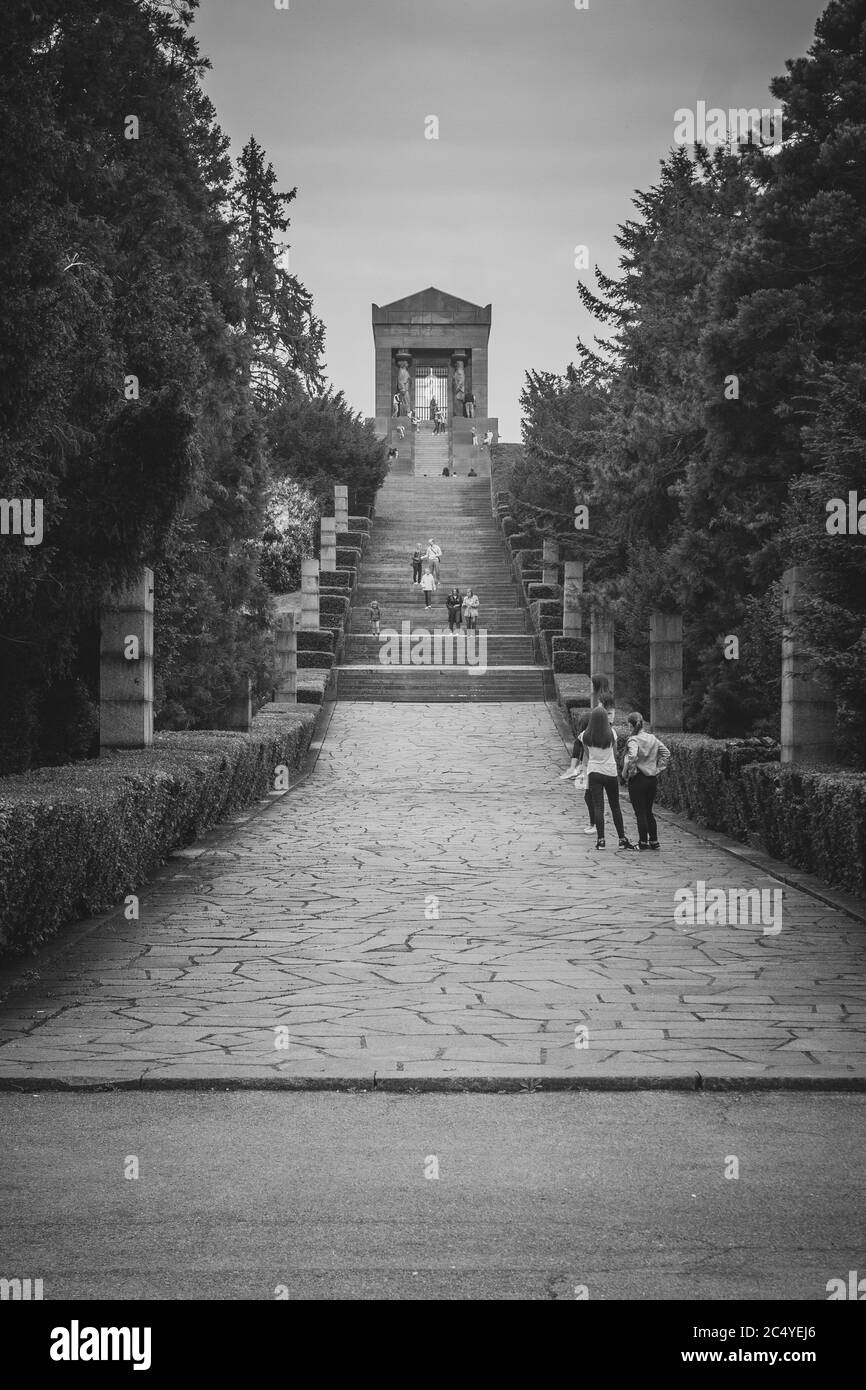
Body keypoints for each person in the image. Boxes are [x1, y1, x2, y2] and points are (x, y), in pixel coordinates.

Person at [578, 706, 636, 851]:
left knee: (598, 806)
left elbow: (587, 754)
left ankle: (601, 840)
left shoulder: (585, 735)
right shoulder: (612, 733)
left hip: (594, 772)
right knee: (615, 805)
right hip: (610, 771)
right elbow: (615, 753)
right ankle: (622, 838)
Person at [622, 712, 670, 850]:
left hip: (638, 779)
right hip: (652, 779)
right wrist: (657, 768)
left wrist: (627, 773)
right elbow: (666, 753)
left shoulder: (633, 740)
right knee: (649, 811)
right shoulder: (652, 738)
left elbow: (632, 756)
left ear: (631, 725)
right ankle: (654, 841)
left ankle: (643, 842)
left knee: (640, 812)